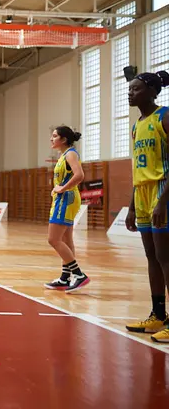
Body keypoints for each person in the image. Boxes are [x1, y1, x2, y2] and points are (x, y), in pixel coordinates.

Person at [124, 71, 169, 343]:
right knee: (151, 256)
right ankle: (158, 315)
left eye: (136, 89)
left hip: (162, 190)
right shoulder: (136, 126)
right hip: (141, 193)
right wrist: (131, 206)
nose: (130, 93)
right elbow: (138, 169)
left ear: (152, 91)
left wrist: (163, 201)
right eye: (129, 89)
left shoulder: (165, 116)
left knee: (165, 257)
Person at [43, 126, 89, 292]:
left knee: (53, 239)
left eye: (55, 136)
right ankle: (65, 277)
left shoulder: (70, 154)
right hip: (65, 198)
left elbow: (79, 175)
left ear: (63, 139)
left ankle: (78, 274)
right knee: (67, 239)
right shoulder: (64, 155)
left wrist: (62, 188)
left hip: (66, 198)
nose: (51, 138)